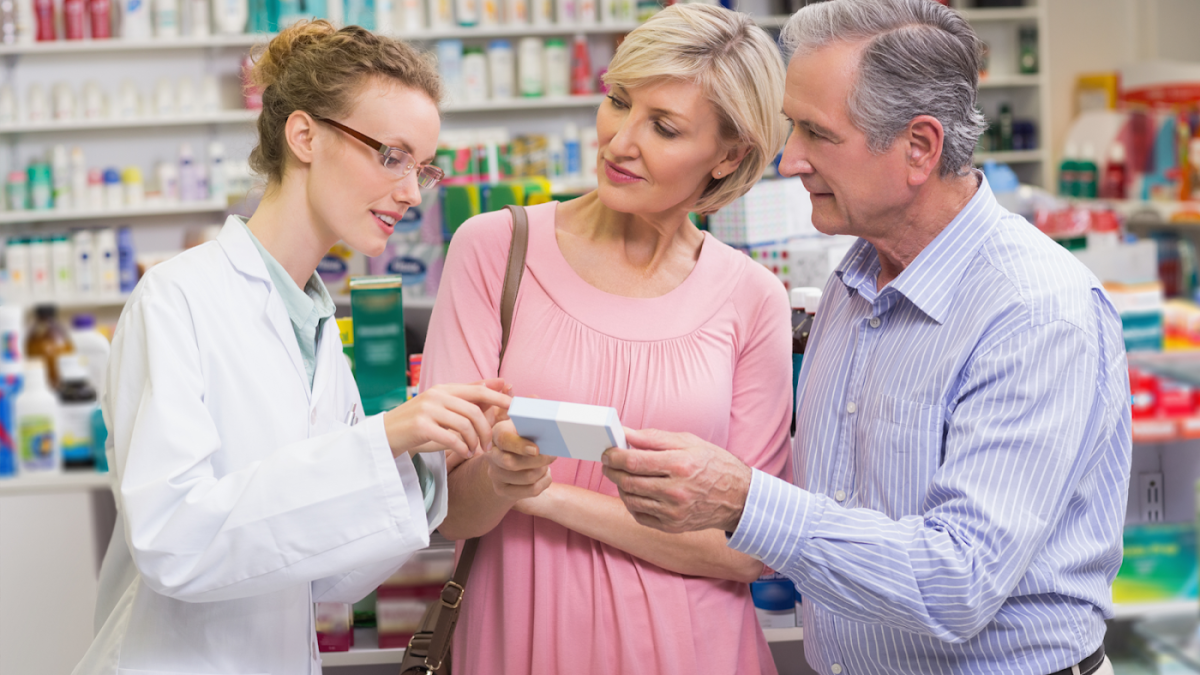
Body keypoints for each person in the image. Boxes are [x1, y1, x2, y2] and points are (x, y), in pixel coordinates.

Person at [602, 1, 1132, 675]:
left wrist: (742, 499)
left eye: (818, 135)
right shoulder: (853, 282)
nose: (789, 159)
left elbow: (957, 581)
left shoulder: (1034, 311)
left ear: (919, 148)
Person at [72, 22, 510, 675]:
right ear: (304, 135)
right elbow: (171, 542)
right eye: (392, 156)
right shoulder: (177, 299)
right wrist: (381, 439)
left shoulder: (314, 324)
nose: (413, 193)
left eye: (423, 168)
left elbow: (329, 578)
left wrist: (422, 460)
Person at [421, 5, 790, 674]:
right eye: (619, 102)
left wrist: (545, 494)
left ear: (729, 154)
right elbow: (449, 510)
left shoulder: (752, 297)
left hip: (697, 649)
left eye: (665, 126)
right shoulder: (495, 250)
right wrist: (500, 480)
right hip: (524, 642)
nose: (620, 141)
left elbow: (749, 549)